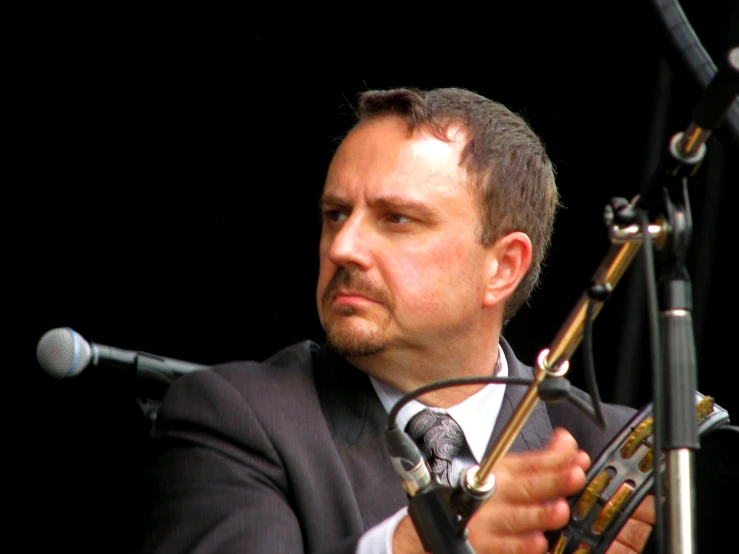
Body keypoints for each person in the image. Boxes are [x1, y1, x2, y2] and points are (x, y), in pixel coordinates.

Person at [137, 87, 655, 554]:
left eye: (396, 219)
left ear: (502, 267)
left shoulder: (619, 456)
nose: (343, 248)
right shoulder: (235, 417)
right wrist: (408, 549)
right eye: (335, 214)